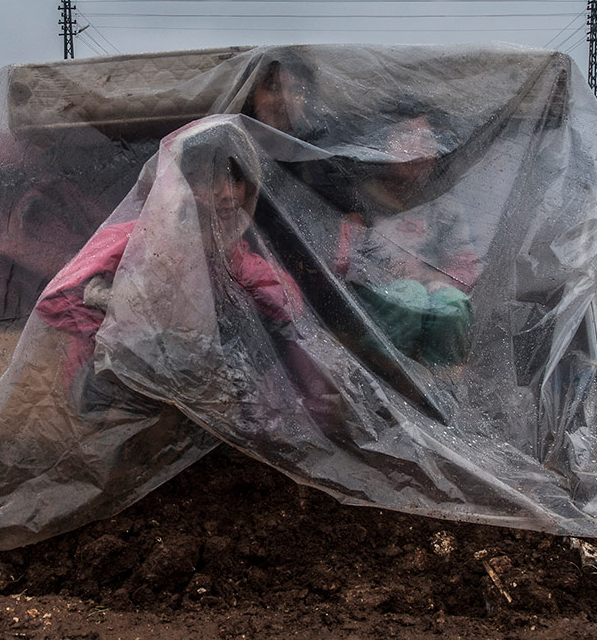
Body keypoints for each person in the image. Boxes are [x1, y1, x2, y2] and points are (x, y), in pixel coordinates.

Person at [35, 116, 327, 424]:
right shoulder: (133, 239)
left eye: (236, 180)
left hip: (194, 381)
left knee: (254, 325)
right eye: (210, 179)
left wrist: (227, 269)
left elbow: (289, 308)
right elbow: (54, 300)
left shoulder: (235, 254)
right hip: (107, 381)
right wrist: (124, 316)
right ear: (178, 185)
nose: (227, 193)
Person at [336, 114, 479, 366]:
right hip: (376, 297)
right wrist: (389, 276)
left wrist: (434, 279)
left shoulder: (445, 208)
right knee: (408, 295)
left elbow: (465, 264)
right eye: (404, 136)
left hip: (429, 291)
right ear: (381, 144)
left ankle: (439, 382)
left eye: (426, 140)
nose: (415, 149)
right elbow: (344, 261)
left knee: (452, 304)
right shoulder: (360, 198)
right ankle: (386, 372)